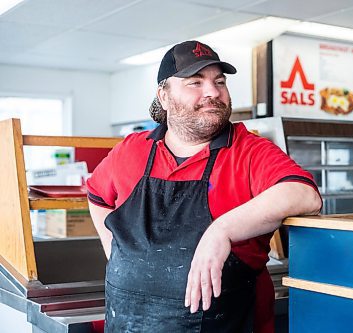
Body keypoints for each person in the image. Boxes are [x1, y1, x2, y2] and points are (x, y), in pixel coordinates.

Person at [87, 40, 322, 332]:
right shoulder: (133, 149)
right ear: (164, 95)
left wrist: (221, 231)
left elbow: (304, 194)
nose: (212, 92)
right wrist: (116, 251)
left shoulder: (248, 151)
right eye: (195, 82)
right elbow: (96, 196)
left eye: (219, 81)